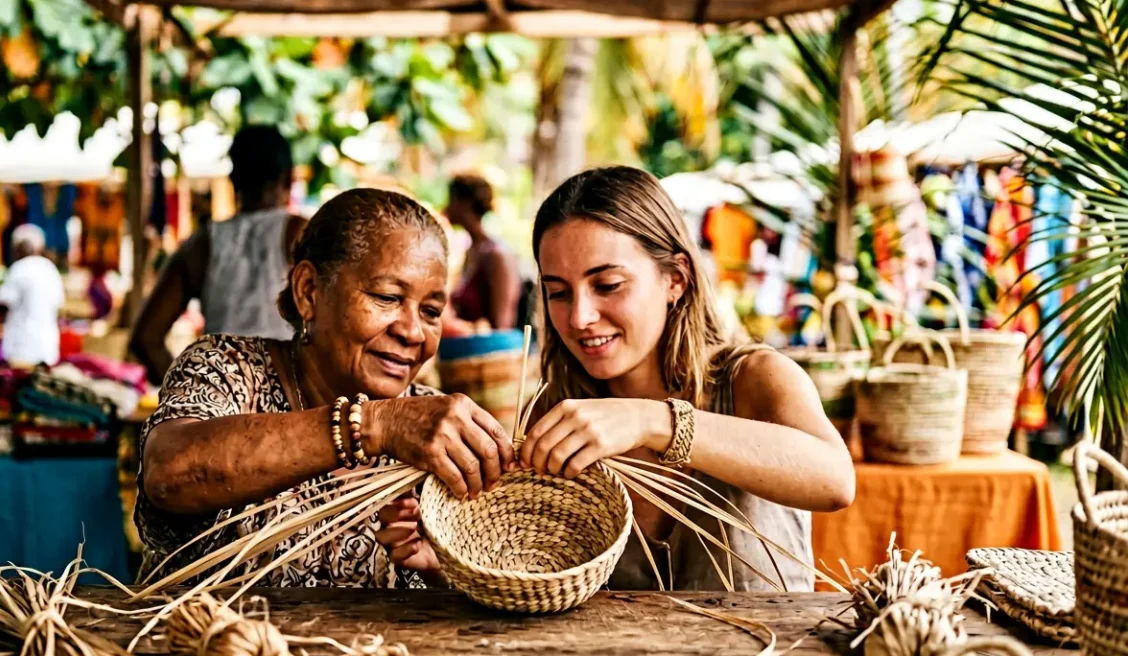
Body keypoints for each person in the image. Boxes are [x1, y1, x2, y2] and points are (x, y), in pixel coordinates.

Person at [379, 166, 855, 592]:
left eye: (608, 285)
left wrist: (655, 422)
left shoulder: (753, 379)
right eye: (558, 293)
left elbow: (834, 481)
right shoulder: (557, 417)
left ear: (676, 279)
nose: (581, 317)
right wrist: (449, 567)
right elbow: (542, 583)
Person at [136, 187, 514, 587]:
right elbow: (169, 474)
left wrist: (449, 574)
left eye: (432, 311)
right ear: (309, 292)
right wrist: (372, 426)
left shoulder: (437, 436)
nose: (413, 331)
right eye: (387, 297)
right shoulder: (228, 368)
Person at [130, 125, 310, 383]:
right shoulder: (303, 233)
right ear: (289, 178)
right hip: (288, 406)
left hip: (221, 407)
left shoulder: (203, 244)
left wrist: (189, 395)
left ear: (233, 179)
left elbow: (146, 339)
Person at [444, 174, 524, 330]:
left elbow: (502, 325)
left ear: (465, 203)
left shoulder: (497, 256)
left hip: (491, 351)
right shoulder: (471, 252)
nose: (447, 207)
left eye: (451, 199)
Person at [0, 224, 65, 367]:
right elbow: (58, 306)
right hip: (47, 346)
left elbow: (2, 303)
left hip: (22, 345)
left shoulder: (19, 268)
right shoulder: (50, 269)